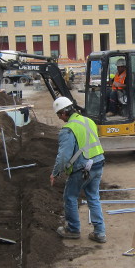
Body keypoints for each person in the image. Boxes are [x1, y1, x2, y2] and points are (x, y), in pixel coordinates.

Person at [50, 96, 107, 243]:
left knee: (70, 197)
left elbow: (63, 156)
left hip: (82, 168)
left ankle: (73, 229)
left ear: (63, 113)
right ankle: (100, 232)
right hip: (98, 162)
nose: (59, 118)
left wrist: (55, 173)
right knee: (93, 197)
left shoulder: (68, 129)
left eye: (58, 115)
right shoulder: (88, 121)